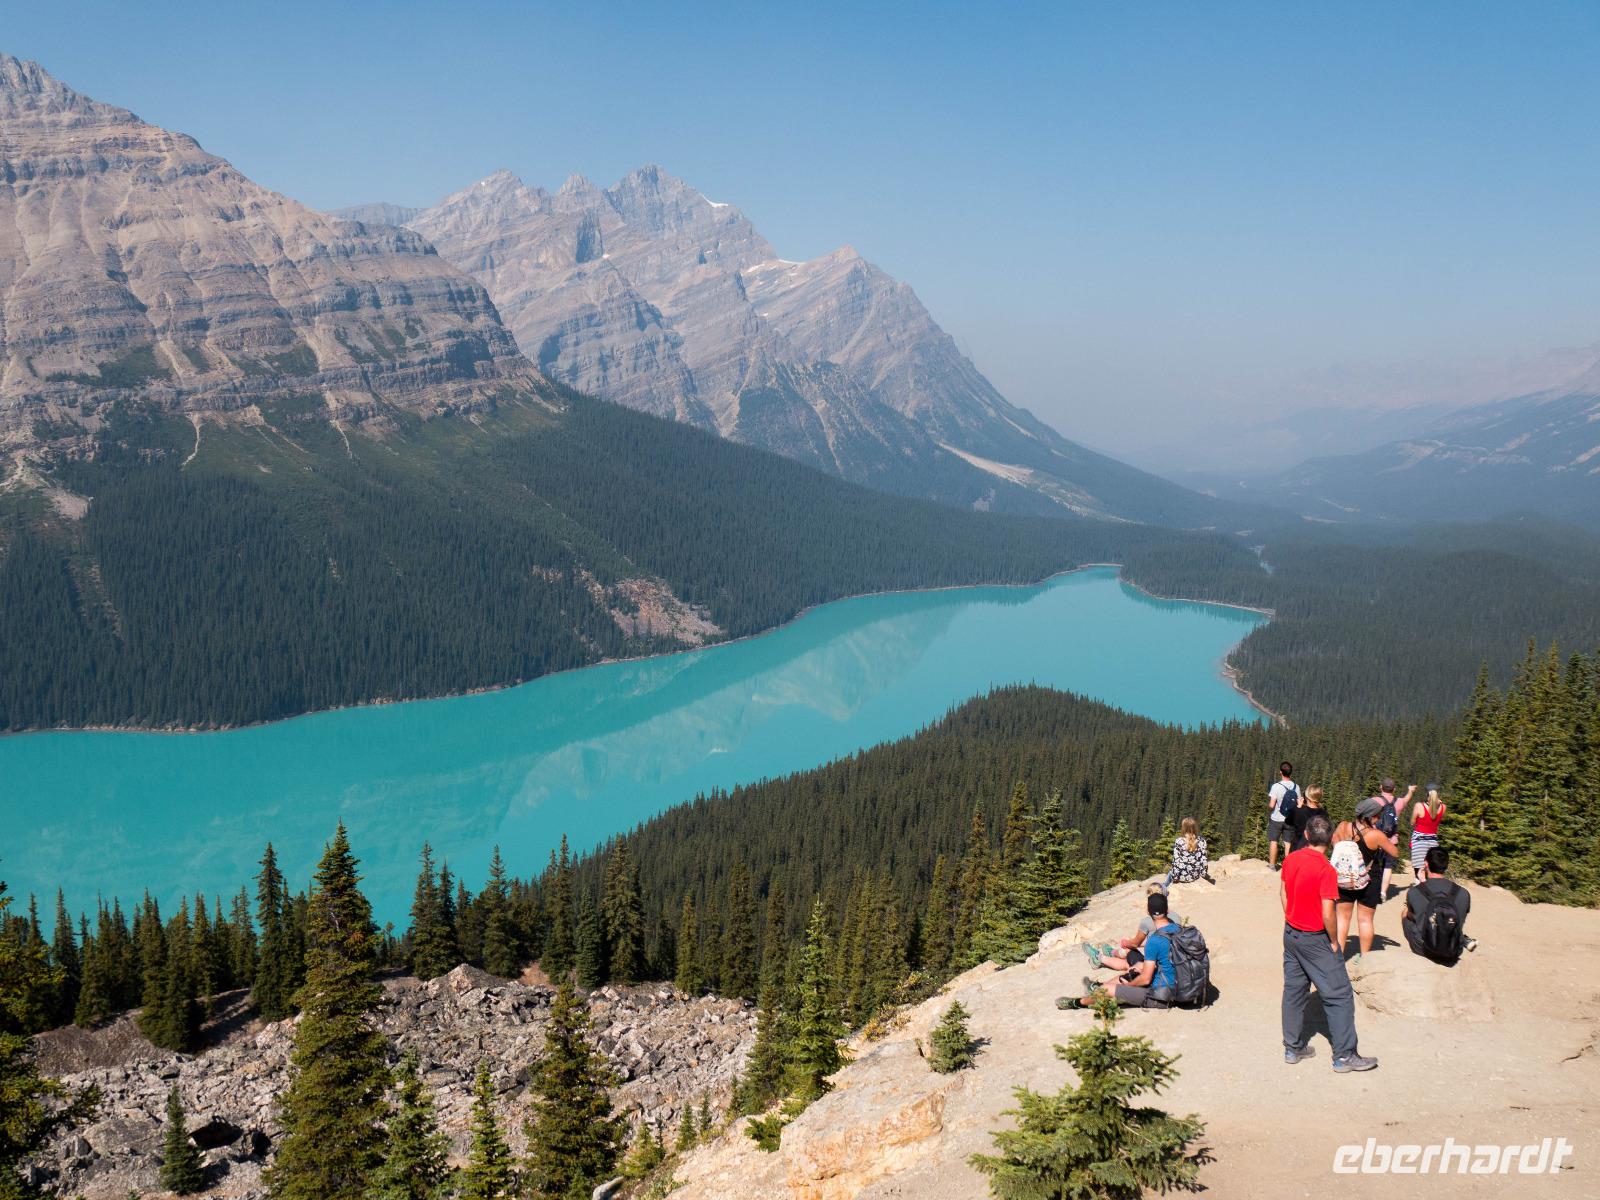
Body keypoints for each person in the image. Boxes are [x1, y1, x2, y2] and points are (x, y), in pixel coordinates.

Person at [1281, 814, 1376, 1072]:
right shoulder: (1326, 870)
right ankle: (1344, 1055)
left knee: (1294, 991)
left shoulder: (1291, 859)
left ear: (1308, 836)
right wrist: (1334, 941)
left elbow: (1283, 892)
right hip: (1315, 937)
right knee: (1339, 995)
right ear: (1330, 839)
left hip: (1291, 934)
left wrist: (1290, 918)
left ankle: (1293, 1047)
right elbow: (1327, 913)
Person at [1077, 892, 1177, 1009]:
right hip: (1187, 986)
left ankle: (1077, 1003)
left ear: (1148, 912)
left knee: (1123, 980)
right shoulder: (1181, 929)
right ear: (1167, 909)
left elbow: (1145, 979)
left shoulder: (1154, 940)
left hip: (1165, 995)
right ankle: (1097, 981)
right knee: (1136, 967)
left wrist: (1129, 985)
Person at [1333, 801, 1399, 964]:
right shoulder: (1376, 835)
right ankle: (1364, 959)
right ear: (1370, 817)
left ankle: (1338, 958)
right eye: (1377, 816)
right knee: (1365, 920)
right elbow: (1395, 852)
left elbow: (1335, 843)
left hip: (1345, 877)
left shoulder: (1343, 826)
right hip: (1369, 879)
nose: (1378, 819)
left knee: (1342, 918)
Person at [1083, 885, 1182, 971]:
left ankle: (1100, 957)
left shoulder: (1147, 922)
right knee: (1131, 953)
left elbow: (1135, 943)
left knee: (1128, 957)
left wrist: (1125, 943)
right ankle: (1110, 953)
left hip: (1156, 966)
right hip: (1172, 961)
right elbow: (1164, 938)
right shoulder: (1176, 917)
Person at [1403, 847, 1476, 962]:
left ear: (1426, 864)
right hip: (1453, 950)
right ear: (1446, 866)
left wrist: (1422, 883)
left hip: (1425, 949)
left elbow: (1412, 915)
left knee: (1405, 913)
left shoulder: (1414, 892)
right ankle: (1463, 940)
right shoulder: (1463, 893)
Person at [1371, 778, 1415, 896]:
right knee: (1387, 866)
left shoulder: (1374, 801)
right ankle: (1383, 892)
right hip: (1392, 839)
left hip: (1375, 838)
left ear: (1381, 787)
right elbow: (1407, 798)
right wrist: (1410, 790)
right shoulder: (1399, 802)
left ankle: (1371, 889)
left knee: (1373, 863)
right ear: (1394, 789)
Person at [1267, 760, 1301, 871]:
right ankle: (1288, 867)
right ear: (1290, 773)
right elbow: (1299, 803)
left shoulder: (1276, 786)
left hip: (1276, 818)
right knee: (1288, 843)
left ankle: (1272, 866)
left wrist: (1269, 807)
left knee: (1274, 841)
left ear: (1281, 772)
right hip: (1290, 819)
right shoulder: (1296, 787)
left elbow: (1272, 805)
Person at [1410, 783, 1447, 881]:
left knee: (1418, 871)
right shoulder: (1443, 807)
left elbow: (1412, 823)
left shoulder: (1419, 806)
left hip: (1419, 841)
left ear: (1427, 794)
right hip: (1433, 841)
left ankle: (1419, 889)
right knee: (1430, 869)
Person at [1163, 816, 1212, 890]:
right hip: (1195, 876)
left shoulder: (1179, 841)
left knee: (1170, 873)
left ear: (1183, 828)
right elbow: (1204, 860)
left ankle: (1163, 886)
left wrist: (1175, 878)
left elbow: (1176, 861)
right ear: (1195, 827)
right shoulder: (1202, 841)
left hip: (1181, 877)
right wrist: (1204, 875)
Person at [1284, 785, 1327, 852]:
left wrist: (1298, 807)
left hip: (1297, 848)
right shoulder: (1324, 814)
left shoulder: (1299, 810)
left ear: (1307, 796)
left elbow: (1288, 821)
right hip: (1315, 849)